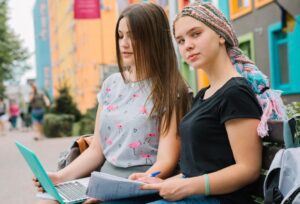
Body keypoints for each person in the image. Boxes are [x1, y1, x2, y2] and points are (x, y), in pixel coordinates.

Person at [34, 3, 191, 204]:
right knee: (46, 201)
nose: (124, 43)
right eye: (120, 35)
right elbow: (96, 151)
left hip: (141, 186)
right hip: (102, 182)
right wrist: (59, 177)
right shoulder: (111, 84)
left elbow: (166, 160)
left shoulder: (173, 89)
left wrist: (121, 190)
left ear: (153, 39)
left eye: (133, 35)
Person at [139, 2, 286, 204]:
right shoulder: (203, 95)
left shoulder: (235, 92)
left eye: (195, 34)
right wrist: (155, 183)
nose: (187, 45)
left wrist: (185, 186)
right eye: (180, 40)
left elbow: (248, 169)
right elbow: (198, 170)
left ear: (220, 35)